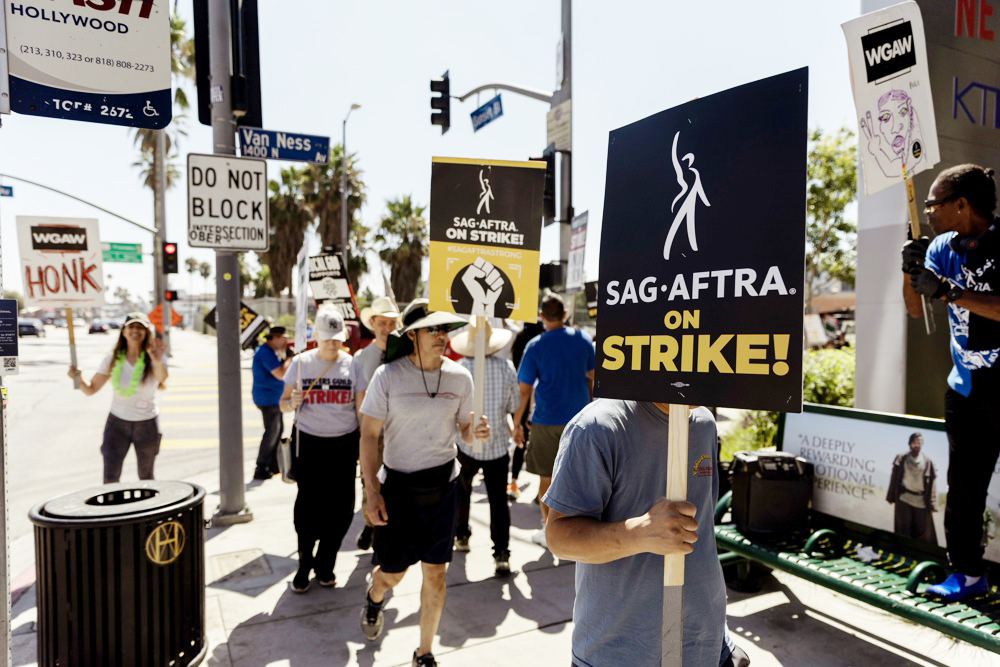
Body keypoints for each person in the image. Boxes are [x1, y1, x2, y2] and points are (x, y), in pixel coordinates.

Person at [544, 401, 748, 667]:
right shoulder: (597, 427)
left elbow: (703, 527)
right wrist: (638, 533)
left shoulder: (704, 423)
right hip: (618, 653)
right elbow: (558, 537)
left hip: (706, 645)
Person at [359, 299, 490, 667]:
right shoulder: (387, 376)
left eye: (444, 328)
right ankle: (374, 597)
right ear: (412, 336)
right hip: (398, 490)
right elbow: (368, 435)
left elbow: (465, 429)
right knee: (392, 575)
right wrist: (372, 493)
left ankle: (424, 652)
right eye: (432, 328)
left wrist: (474, 432)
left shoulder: (460, 377)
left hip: (443, 488)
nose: (441, 335)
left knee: (436, 576)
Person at [902, 163, 1000, 601]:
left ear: (962, 204)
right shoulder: (941, 247)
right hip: (966, 390)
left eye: (933, 203)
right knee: (964, 492)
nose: (927, 212)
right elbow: (914, 308)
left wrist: (950, 292)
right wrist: (910, 270)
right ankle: (968, 574)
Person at [280, 308, 360, 593]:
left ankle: (326, 563)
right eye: (327, 338)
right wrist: (292, 402)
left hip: (344, 444)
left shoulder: (353, 365)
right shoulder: (301, 363)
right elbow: (282, 403)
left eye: (336, 338)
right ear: (316, 336)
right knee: (308, 508)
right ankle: (305, 563)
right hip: (309, 444)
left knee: (342, 510)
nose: (332, 343)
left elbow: (360, 409)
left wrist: (364, 447)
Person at [513, 293, 595, 547]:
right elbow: (593, 377)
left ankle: (550, 534)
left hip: (546, 420)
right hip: (581, 420)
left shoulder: (535, 345)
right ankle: (581, 530)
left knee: (546, 478)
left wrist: (516, 423)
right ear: (565, 314)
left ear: (541, 316)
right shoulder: (583, 339)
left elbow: (524, 390)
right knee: (579, 477)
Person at [450, 320, 519, 576]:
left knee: (462, 492)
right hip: (497, 444)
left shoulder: (459, 369)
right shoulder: (506, 368)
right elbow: (512, 404)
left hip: (464, 444)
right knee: (498, 501)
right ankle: (501, 553)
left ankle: (461, 535)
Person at [67, 312, 168, 483]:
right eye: (131, 327)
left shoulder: (154, 356)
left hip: (147, 424)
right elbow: (90, 389)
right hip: (117, 424)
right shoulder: (112, 359)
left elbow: (162, 378)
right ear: (123, 331)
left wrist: (157, 361)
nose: (135, 331)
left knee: (146, 477)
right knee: (110, 478)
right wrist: (77, 378)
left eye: (140, 327)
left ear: (146, 332)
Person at [352, 296, 401, 551]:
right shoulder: (361, 358)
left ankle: (385, 529)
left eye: (392, 323)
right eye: (383, 323)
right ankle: (370, 525)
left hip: (400, 431)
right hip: (373, 432)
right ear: (372, 323)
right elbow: (357, 399)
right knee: (369, 480)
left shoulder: (405, 354)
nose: (387, 328)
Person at [251, 326, 293, 481]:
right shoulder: (265, 353)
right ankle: (261, 467)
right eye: (284, 339)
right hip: (268, 399)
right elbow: (280, 374)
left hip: (273, 398)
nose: (286, 342)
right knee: (272, 432)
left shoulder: (269, 351)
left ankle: (273, 464)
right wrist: (290, 359)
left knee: (277, 430)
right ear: (275, 338)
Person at [886, 433, 938, 545]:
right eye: (915, 442)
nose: (917, 445)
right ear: (910, 443)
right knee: (903, 530)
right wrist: (891, 496)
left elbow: (932, 484)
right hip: (904, 498)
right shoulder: (902, 458)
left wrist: (933, 503)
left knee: (920, 533)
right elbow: (894, 478)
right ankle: (902, 551)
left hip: (920, 501)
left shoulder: (927, 461)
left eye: (919, 443)